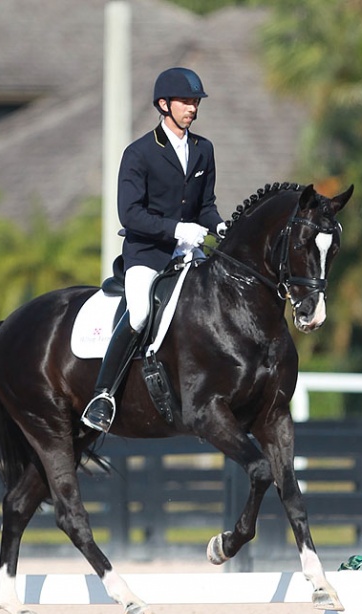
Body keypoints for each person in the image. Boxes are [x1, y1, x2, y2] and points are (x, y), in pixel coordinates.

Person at [82, 67, 226, 432]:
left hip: (188, 254)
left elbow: (205, 204)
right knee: (140, 313)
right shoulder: (140, 153)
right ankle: (103, 394)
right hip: (147, 255)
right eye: (185, 102)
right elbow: (129, 214)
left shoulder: (203, 149)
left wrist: (220, 224)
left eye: (195, 102)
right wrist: (177, 229)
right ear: (164, 105)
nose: (192, 108)